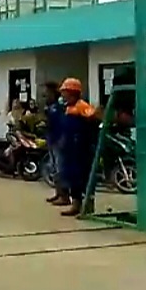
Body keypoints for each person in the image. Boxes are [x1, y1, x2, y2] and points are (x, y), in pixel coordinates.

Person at [55, 77, 99, 217]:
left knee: (83, 178)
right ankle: (76, 204)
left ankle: (87, 205)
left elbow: (93, 122)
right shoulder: (68, 108)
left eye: (65, 92)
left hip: (81, 150)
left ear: (72, 92)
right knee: (72, 177)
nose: (63, 95)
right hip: (70, 149)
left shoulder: (82, 106)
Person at [42, 82, 69, 207]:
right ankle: (58, 194)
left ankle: (64, 196)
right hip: (51, 139)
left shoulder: (59, 106)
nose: (45, 94)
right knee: (54, 167)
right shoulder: (50, 106)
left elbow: (62, 124)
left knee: (60, 168)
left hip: (58, 140)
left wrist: (62, 139)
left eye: (47, 92)